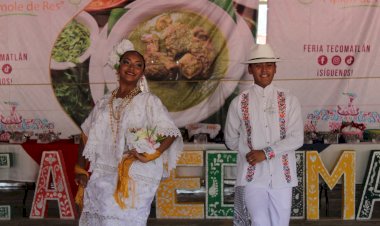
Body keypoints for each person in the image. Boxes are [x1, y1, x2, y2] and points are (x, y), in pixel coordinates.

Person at [74, 39, 183, 226]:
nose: (132, 68)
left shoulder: (148, 101)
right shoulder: (104, 102)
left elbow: (171, 132)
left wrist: (152, 154)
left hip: (136, 176)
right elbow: (86, 134)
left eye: (138, 65)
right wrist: (80, 168)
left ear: (142, 72)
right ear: (118, 68)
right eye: (127, 62)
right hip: (104, 172)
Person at [224, 44, 304, 226]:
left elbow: (296, 138)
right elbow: (230, 139)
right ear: (250, 69)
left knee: (281, 223)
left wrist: (265, 153)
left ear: (275, 68)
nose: (264, 70)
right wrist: (248, 151)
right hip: (252, 177)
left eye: (269, 65)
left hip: (282, 176)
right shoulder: (239, 102)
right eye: (259, 65)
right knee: (259, 222)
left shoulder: (290, 100)